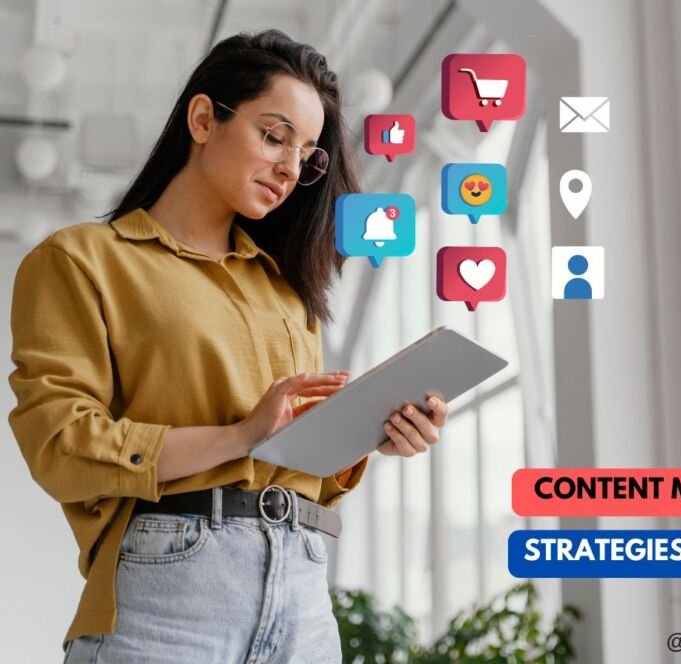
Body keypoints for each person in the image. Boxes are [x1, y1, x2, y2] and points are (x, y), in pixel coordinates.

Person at [7, 29, 448, 663]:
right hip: (168, 597)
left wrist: (370, 433)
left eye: (308, 155)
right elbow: (59, 445)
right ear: (204, 118)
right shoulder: (81, 261)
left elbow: (299, 465)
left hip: (304, 593)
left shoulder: (288, 293)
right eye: (274, 136)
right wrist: (239, 436)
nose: (292, 168)